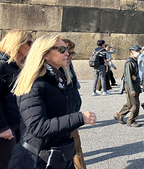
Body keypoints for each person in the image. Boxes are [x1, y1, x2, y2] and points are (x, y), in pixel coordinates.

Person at [7, 33, 96, 169]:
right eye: (61, 50)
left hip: (60, 155)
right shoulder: (35, 84)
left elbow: (69, 108)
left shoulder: (63, 79)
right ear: (45, 54)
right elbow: (38, 126)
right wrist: (80, 118)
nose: (67, 53)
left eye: (67, 49)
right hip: (36, 159)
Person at [0, 30, 32, 169]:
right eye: (29, 43)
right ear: (17, 44)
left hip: (17, 124)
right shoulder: (2, 65)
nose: (32, 46)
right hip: (6, 128)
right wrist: (2, 127)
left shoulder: (17, 66)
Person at [62, 39, 87, 169]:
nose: (70, 56)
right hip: (65, 116)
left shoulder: (68, 65)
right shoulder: (54, 72)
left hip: (71, 113)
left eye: (72, 53)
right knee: (75, 148)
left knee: (75, 147)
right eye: (67, 52)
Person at [113, 46, 142, 127]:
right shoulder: (130, 62)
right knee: (135, 104)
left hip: (135, 84)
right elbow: (128, 77)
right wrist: (132, 89)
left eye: (138, 51)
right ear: (131, 52)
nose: (138, 52)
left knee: (131, 103)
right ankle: (131, 121)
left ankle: (119, 115)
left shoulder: (134, 60)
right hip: (130, 85)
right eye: (136, 51)